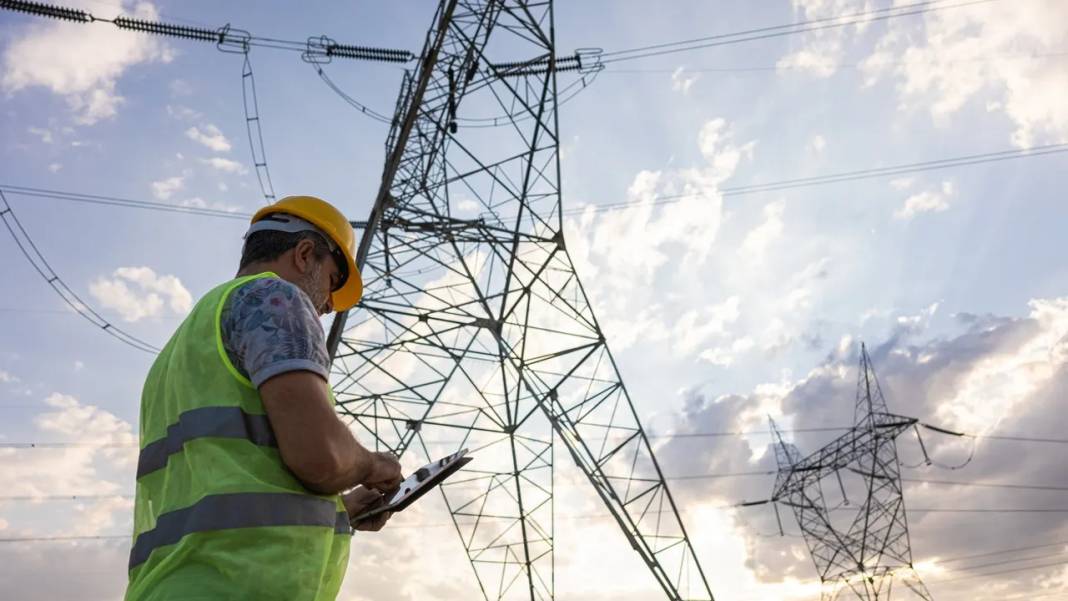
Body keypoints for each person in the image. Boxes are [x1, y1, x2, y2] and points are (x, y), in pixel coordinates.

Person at [125, 196, 403, 601]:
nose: (328, 305)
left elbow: (229, 479)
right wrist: (371, 464)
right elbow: (320, 458)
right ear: (306, 255)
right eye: (333, 281)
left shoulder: (183, 346)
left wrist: (340, 511)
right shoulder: (275, 299)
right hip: (239, 587)